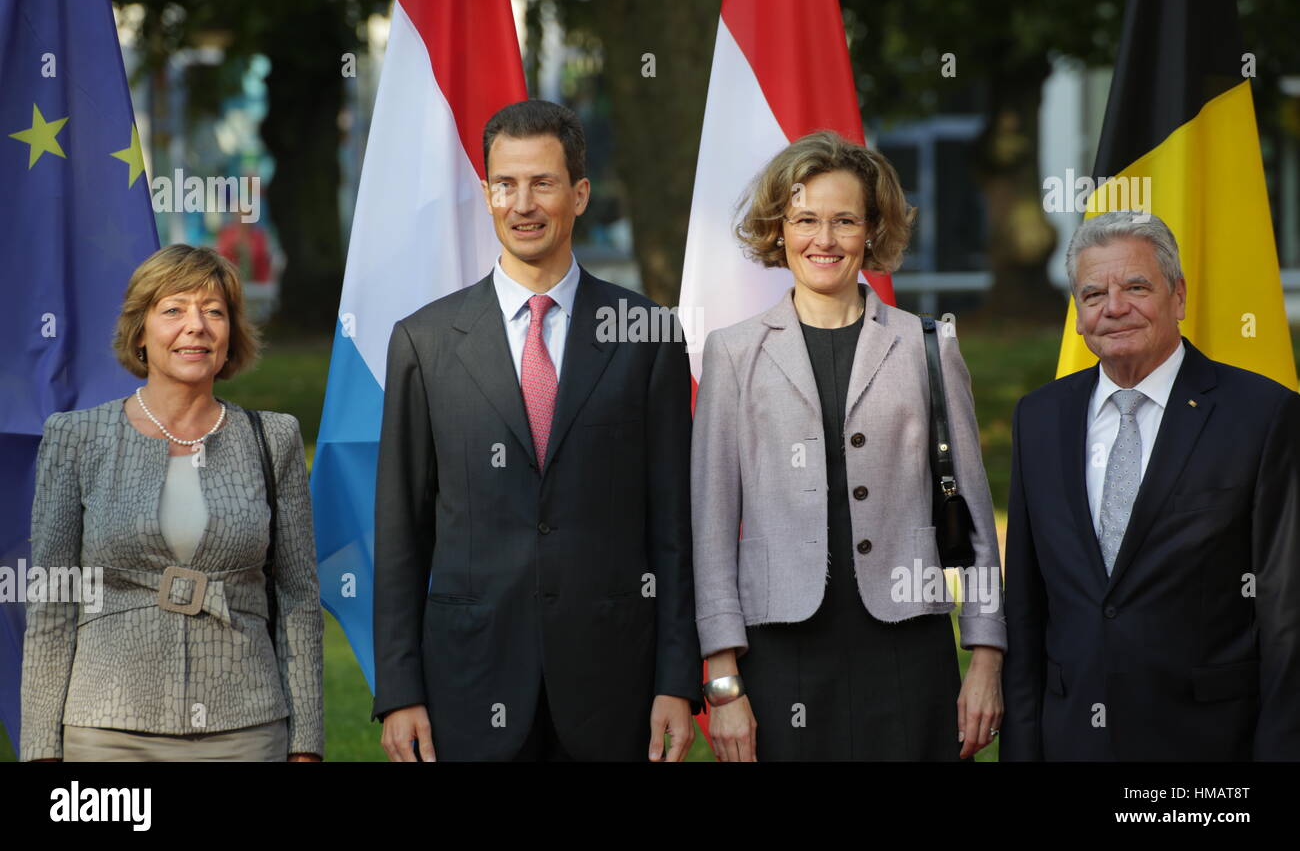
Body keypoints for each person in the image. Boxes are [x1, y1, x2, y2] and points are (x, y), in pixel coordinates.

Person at [372, 99, 700, 762]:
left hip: (615, 685)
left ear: (578, 194)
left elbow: (674, 526)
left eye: (542, 183)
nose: (523, 203)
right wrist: (400, 689)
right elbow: (402, 530)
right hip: (468, 679)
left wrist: (676, 680)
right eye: (506, 184)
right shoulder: (425, 342)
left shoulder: (648, 334)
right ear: (488, 194)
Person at [692, 130, 1006, 762]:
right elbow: (710, 527)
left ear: (872, 229)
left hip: (907, 649)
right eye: (805, 219)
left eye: (844, 221)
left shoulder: (926, 344)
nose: (824, 240)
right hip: (780, 654)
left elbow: (971, 513)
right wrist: (723, 685)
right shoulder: (733, 352)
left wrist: (986, 659)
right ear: (779, 229)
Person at [1001, 210, 1300, 761]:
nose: (1114, 308)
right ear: (1078, 315)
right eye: (1094, 294)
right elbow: (1024, 605)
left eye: (1136, 287)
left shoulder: (1262, 415)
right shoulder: (1039, 418)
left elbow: (1286, 612)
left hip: (1207, 752)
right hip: (1073, 740)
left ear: (1178, 297)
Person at [20, 244, 323, 762]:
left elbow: (298, 601)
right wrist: (41, 749)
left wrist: (307, 745)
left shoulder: (274, 440)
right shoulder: (76, 437)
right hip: (107, 731)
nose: (196, 326)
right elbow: (52, 601)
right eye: (174, 309)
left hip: (245, 727)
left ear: (231, 334)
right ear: (141, 331)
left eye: (214, 311)